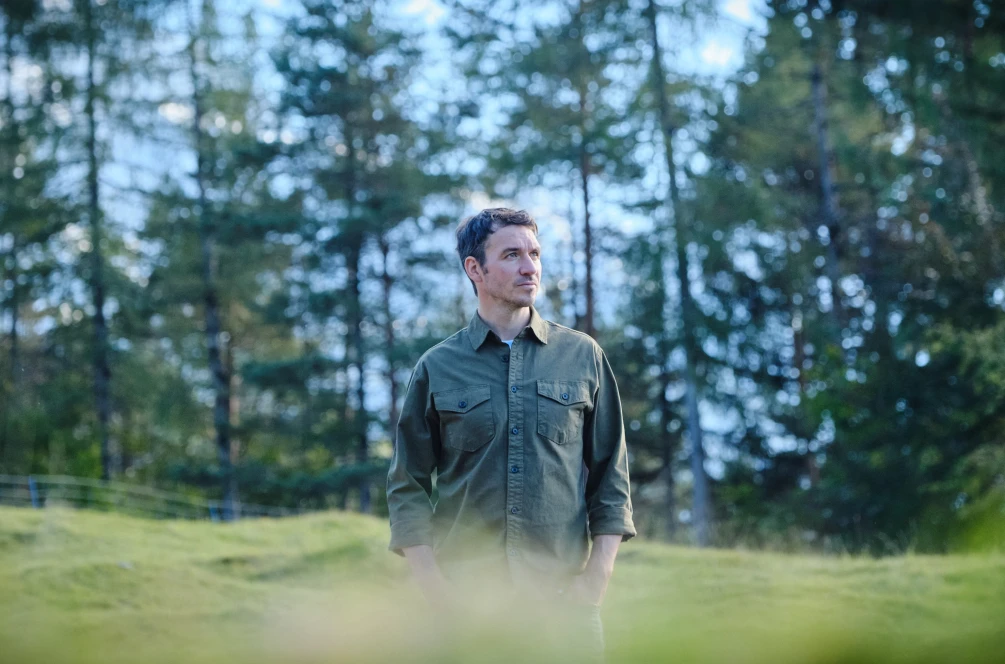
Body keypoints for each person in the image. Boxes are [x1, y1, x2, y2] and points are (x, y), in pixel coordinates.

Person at [386, 207, 635, 658]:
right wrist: (437, 591)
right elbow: (407, 487)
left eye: (534, 254)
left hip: (564, 608)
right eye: (512, 255)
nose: (530, 267)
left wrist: (595, 582)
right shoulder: (436, 367)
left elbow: (611, 480)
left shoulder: (583, 356)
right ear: (475, 269)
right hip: (466, 610)